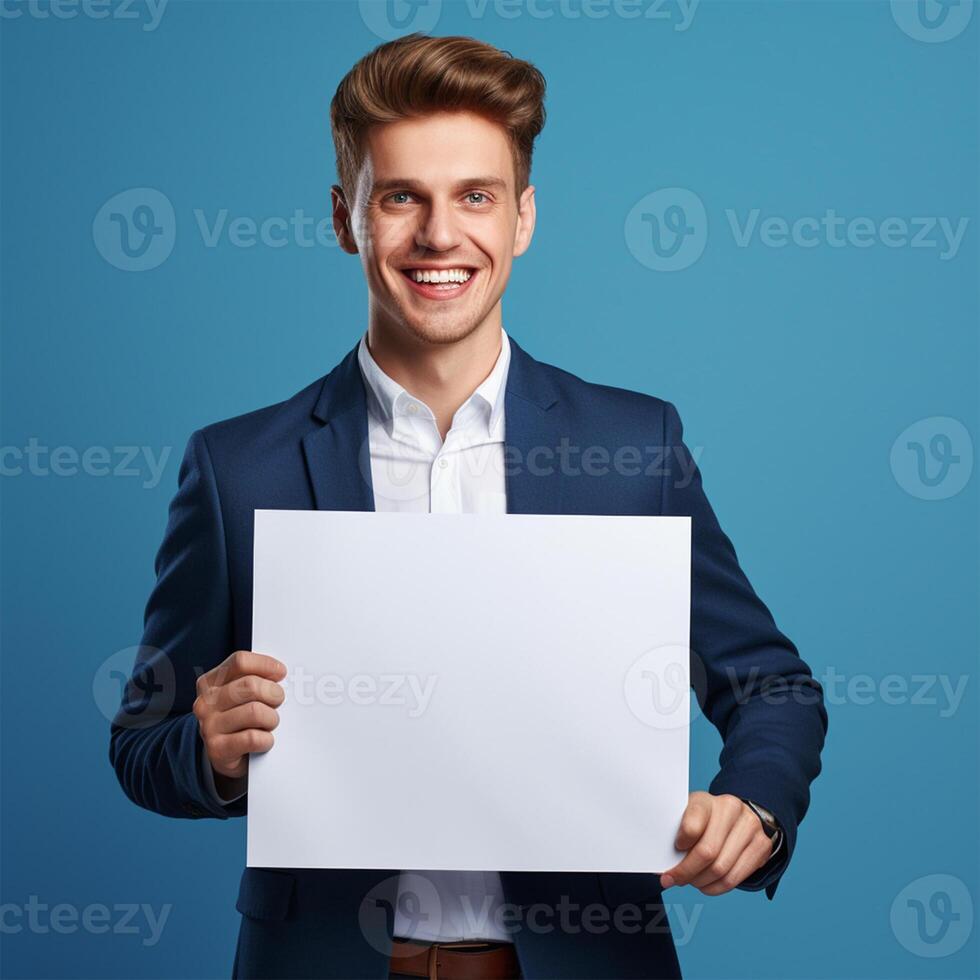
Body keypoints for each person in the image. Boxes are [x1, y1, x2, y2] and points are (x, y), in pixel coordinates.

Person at [110, 33, 828, 980]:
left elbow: (773, 687)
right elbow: (140, 742)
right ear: (345, 217)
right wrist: (207, 747)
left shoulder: (633, 451)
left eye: (475, 197)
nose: (440, 236)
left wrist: (756, 809)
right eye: (401, 196)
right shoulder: (239, 468)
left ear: (524, 217)